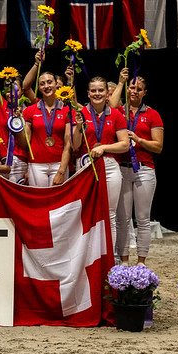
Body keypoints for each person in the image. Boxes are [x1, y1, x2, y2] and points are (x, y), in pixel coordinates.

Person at [110, 69, 164, 266]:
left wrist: (138, 139)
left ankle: (141, 262)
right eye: (132, 87)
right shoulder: (118, 112)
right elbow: (111, 105)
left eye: (139, 89)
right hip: (122, 169)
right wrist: (121, 82)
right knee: (122, 220)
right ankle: (124, 261)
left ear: (144, 92)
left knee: (142, 219)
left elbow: (158, 147)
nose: (134, 91)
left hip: (144, 170)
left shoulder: (152, 115)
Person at [71, 76, 129, 253]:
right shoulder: (81, 114)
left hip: (110, 166)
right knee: (86, 212)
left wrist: (103, 147)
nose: (97, 94)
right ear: (88, 93)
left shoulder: (116, 114)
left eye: (101, 90)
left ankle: (109, 258)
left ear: (107, 94)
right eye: (93, 90)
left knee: (109, 214)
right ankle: (87, 257)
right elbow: (74, 146)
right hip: (85, 165)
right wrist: (78, 127)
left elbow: (125, 144)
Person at [22, 71, 71, 187]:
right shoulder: (30, 111)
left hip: (59, 163)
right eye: (42, 84)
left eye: (50, 82)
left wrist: (61, 171)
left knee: (58, 203)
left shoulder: (67, 110)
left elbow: (68, 144)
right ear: (39, 88)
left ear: (56, 84)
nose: (46, 86)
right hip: (36, 164)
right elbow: (25, 142)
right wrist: (18, 124)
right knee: (39, 203)